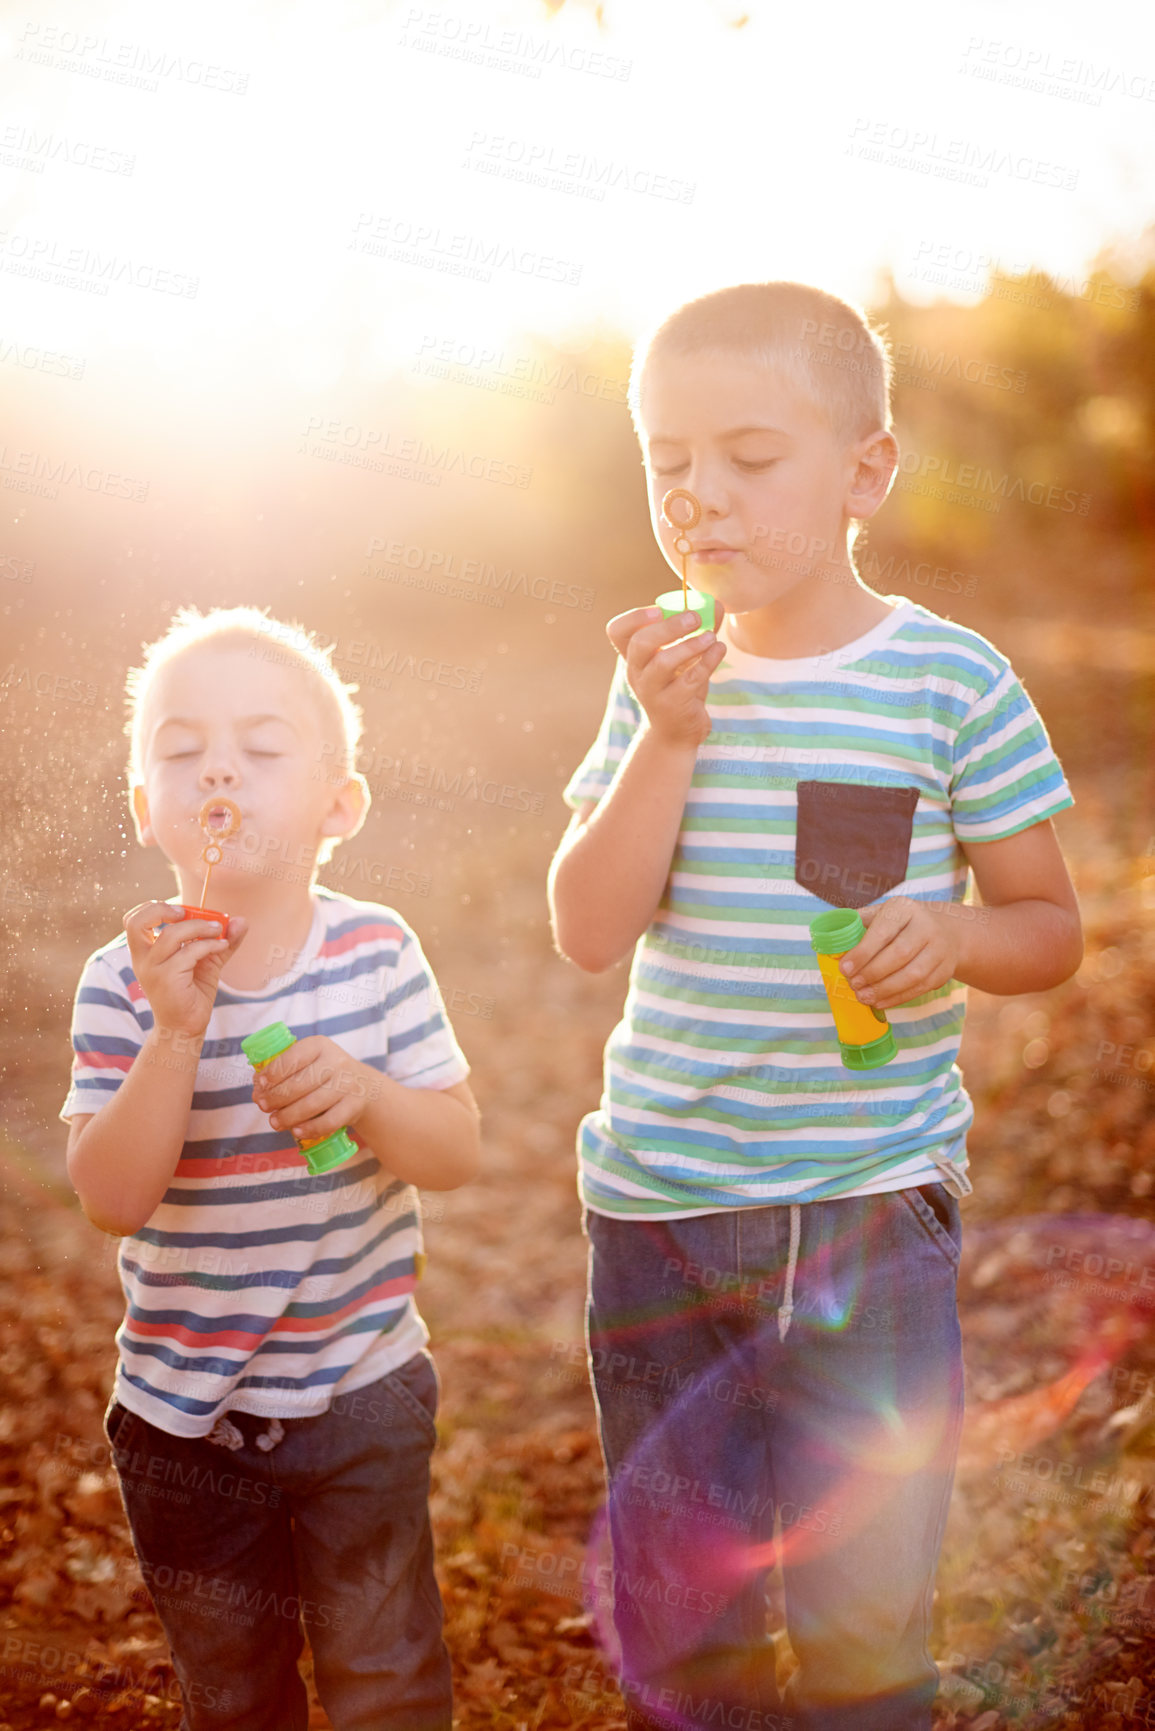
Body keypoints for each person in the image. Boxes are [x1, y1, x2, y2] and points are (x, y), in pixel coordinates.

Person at [548, 282, 1082, 1731]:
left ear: (864, 469)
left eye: (746, 454)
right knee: (688, 1615)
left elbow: (1047, 931)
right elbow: (585, 927)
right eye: (665, 460)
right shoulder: (660, 672)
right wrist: (665, 736)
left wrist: (954, 928)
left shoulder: (948, 681)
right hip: (664, 1208)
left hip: (869, 1204)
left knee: (858, 1627)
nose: (696, 497)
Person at [62, 606, 481, 1731]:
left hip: (359, 1392)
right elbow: (112, 1198)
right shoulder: (123, 983)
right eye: (184, 748)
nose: (221, 771)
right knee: (233, 1690)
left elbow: (457, 1149)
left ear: (338, 807)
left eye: (261, 745)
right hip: (181, 1422)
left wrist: (371, 1095)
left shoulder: (378, 953)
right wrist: (175, 1036)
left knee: (385, 1671)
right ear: (148, 807)